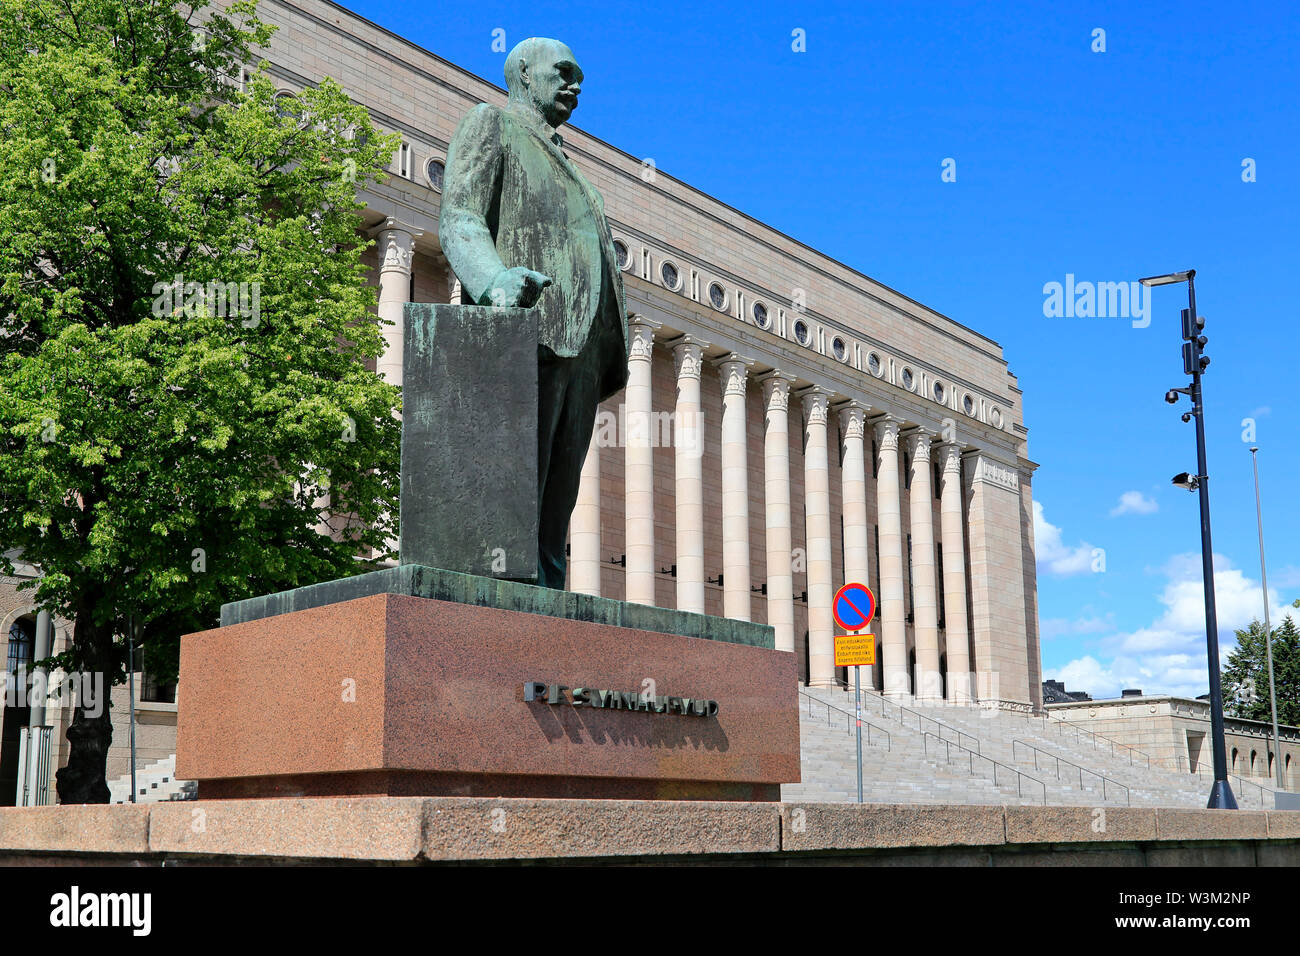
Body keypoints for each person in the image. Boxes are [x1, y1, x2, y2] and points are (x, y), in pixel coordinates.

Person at [439, 37, 629, 589]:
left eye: (580, 78)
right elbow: (461, 218)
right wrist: (494, 280)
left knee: (556, 507)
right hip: (529, 332)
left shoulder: (576, 169)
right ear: (524, 70)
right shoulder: (490, 125)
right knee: (514, 491)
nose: (574, 84)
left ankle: (544, 613)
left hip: (585, 346)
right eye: (564, 71)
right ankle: (501, 609)